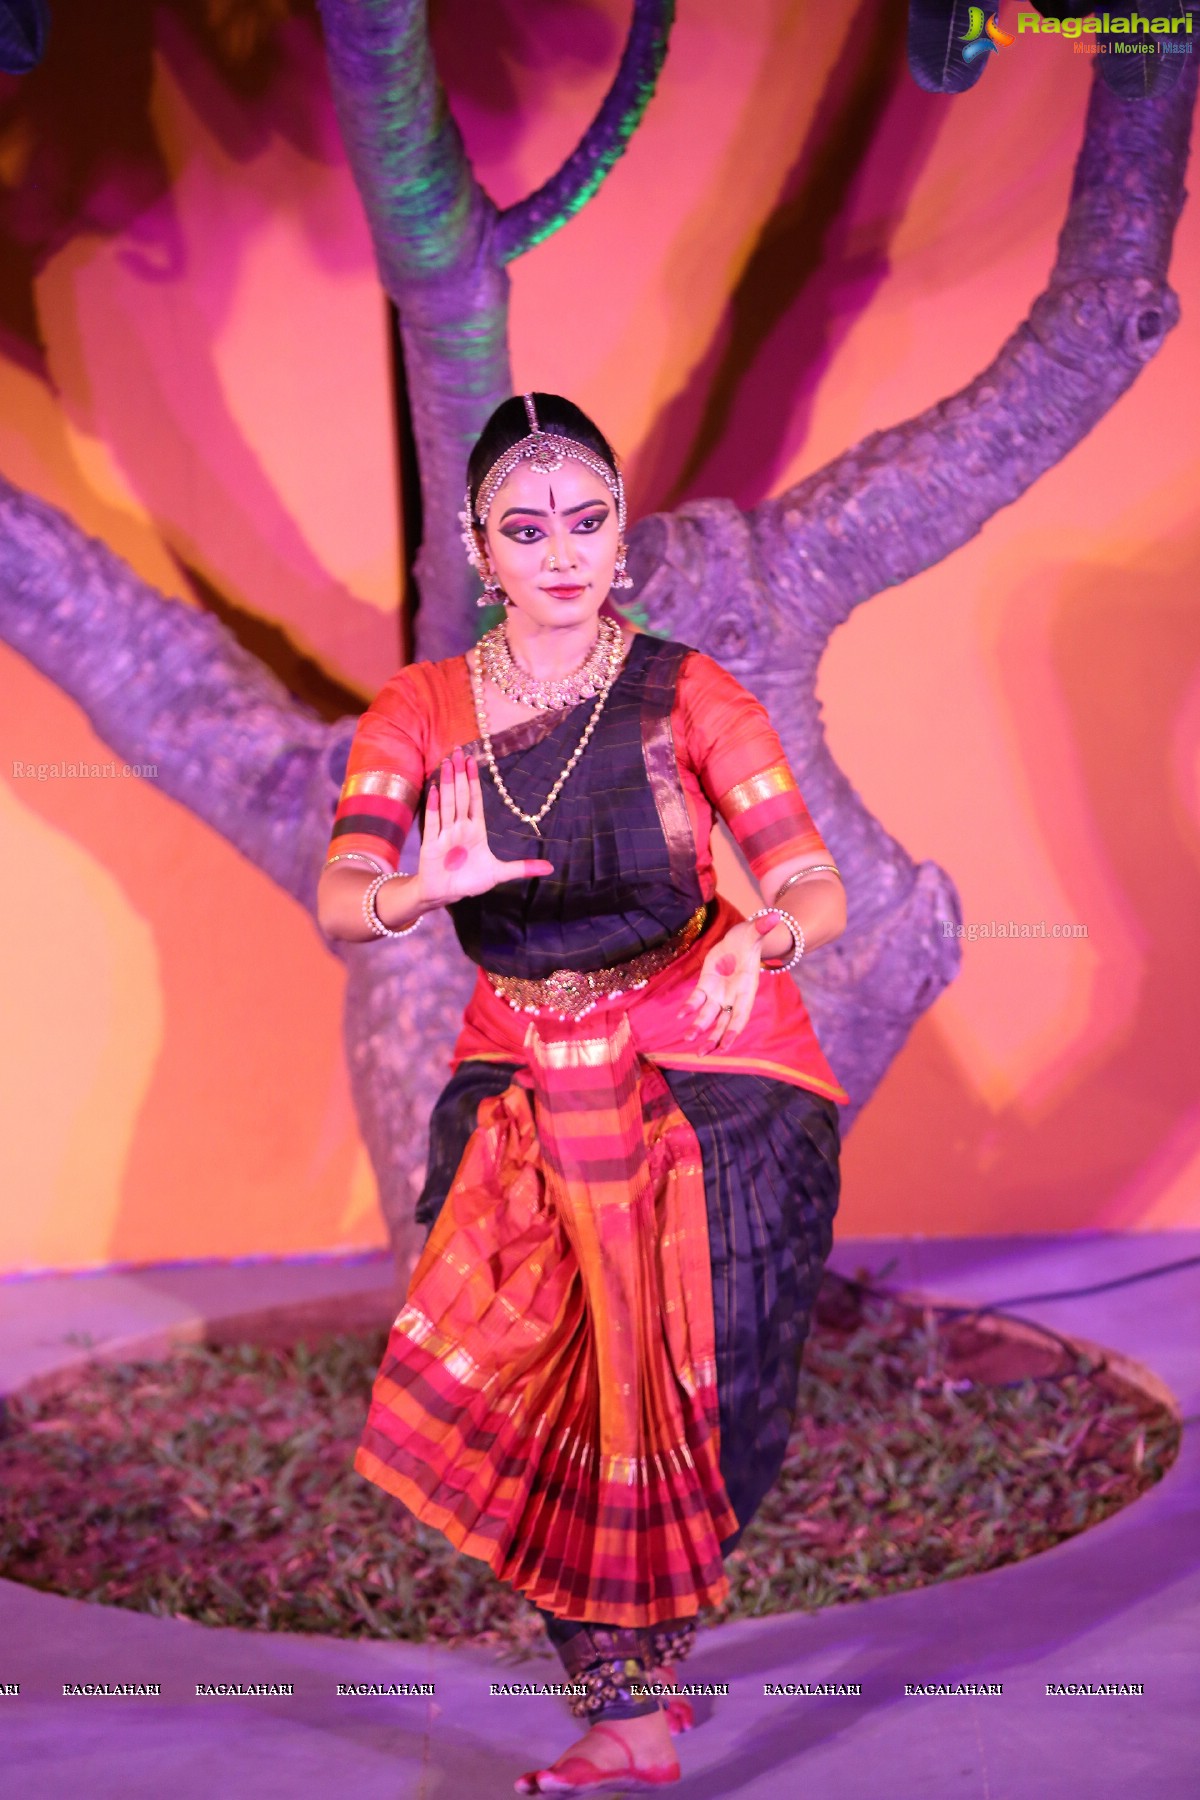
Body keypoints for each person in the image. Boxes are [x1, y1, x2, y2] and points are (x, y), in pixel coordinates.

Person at [316, 393, 849, 1795]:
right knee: (537, 1372)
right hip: (522, 1058)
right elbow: (340, 897)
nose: (563, 552)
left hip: (710, 1046)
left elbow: (810, 880)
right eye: (527, 527)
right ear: (482, 551)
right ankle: (623, 1706)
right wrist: (414, 890)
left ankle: (642, 1694)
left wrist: (764, 936)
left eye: (589, 521)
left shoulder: (692, 692)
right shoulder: (419, 709)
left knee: (709, 1355)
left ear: (622, 535)